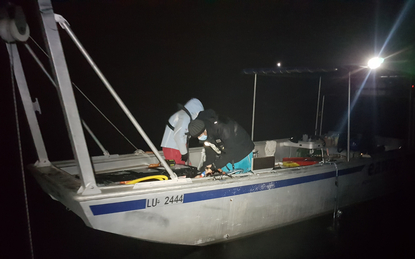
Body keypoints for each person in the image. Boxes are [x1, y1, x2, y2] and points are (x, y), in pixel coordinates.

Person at [188, 109, 254, 175]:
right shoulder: (204, 130)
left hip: (243, 150)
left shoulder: (223, 128)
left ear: (204, 130)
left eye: (200, 135)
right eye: (197, 137)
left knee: (241, 178)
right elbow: (210, 152)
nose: (199, 138)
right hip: (227, 152)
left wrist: (214, 166)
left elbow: (231, 152)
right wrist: (204, 169)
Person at [161, 98, 204, 165]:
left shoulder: (182, 115)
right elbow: (178, 136)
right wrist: (184, 153)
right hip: (173, 149)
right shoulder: (184, 117)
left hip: (175, 148)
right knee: (180, 171)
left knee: (185, 168)